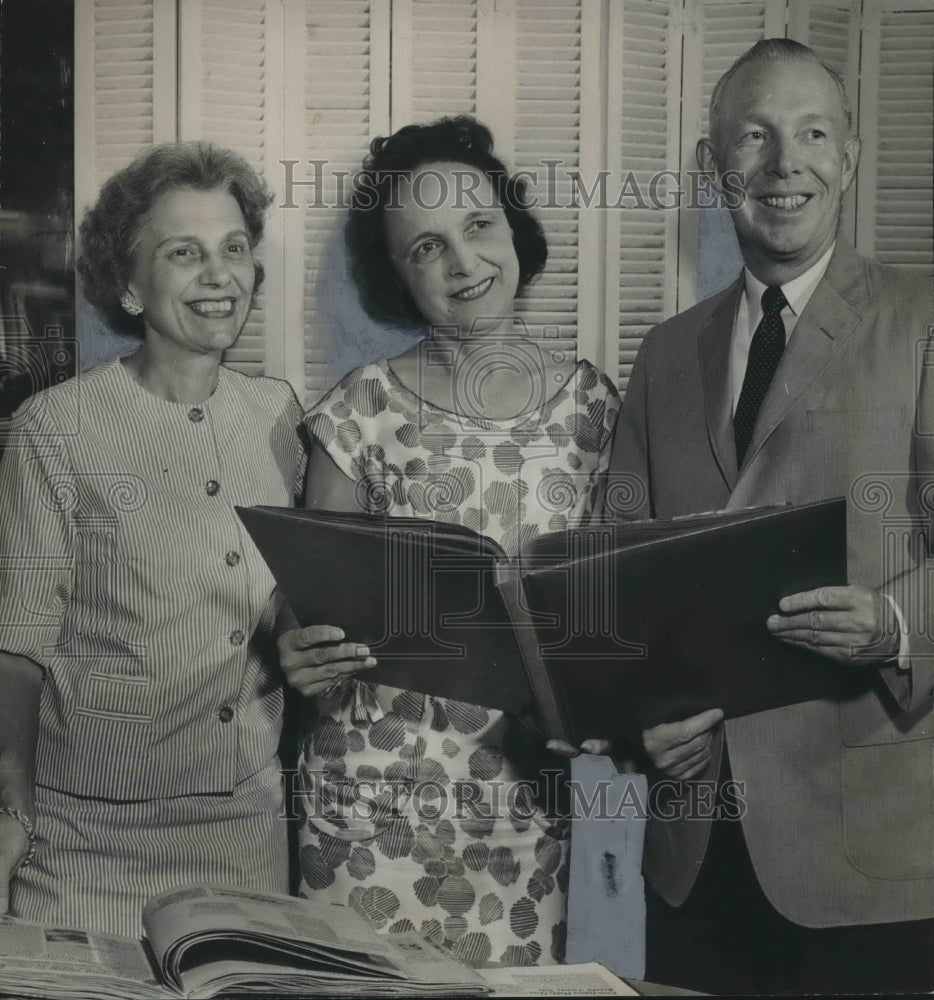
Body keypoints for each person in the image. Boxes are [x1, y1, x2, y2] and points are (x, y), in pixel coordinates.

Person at [606, 38, 934, 994]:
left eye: (812, 134)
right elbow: (622, 578)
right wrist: (642, 720)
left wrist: (896, 625)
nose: (784, 165)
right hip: (695, 854)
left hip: (873, 861)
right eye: (754, 138)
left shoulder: (921, 320)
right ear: (717, 169)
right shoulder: (666, 356)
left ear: (849, 158)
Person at [278, 116, 621, 967]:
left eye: (478, 226)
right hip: (365, 813)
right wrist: (297, 647)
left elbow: (616, 611)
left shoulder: (595, 409)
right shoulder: (361, 406)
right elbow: (305, 601)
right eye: (426, 248)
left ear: (513, 230)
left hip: (522, 811)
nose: (464, 262)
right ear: (399, 276)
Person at [0, 141, 361, 937]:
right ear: (128, 286)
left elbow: (288, 603)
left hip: (246, 840)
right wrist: (10, 810)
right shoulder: (53, 430)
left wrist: (307, 642)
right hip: (84, 848)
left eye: (234, 250)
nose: (219, 275)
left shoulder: (280, 416)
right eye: (184, 254)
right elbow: (16, 651)